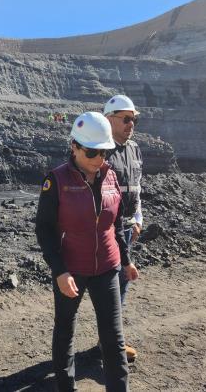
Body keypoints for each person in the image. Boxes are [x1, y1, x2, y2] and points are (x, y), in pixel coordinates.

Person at [36, 111, 139, 392]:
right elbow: (44, 230)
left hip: (107, 266)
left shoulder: (110, 176)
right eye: (92, 152)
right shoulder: (55, 181)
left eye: (104, 152)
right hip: (71, 270)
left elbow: (116, 224)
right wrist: (59, 270)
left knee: (113, 338)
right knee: (65, 330)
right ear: (74, 146)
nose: (99, 160)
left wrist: (127, 261)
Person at [103, 95, 143, 362]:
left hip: (128, 229)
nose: (131, 124)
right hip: (107, 232)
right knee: (108, 287)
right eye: (126, 119)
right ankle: (111, 346)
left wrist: (138, 217)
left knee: (121, 286)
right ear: (109, 120)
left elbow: (137, 186)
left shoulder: (134, 149)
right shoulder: (101, 150)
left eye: (134, 119)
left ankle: (109, 343)